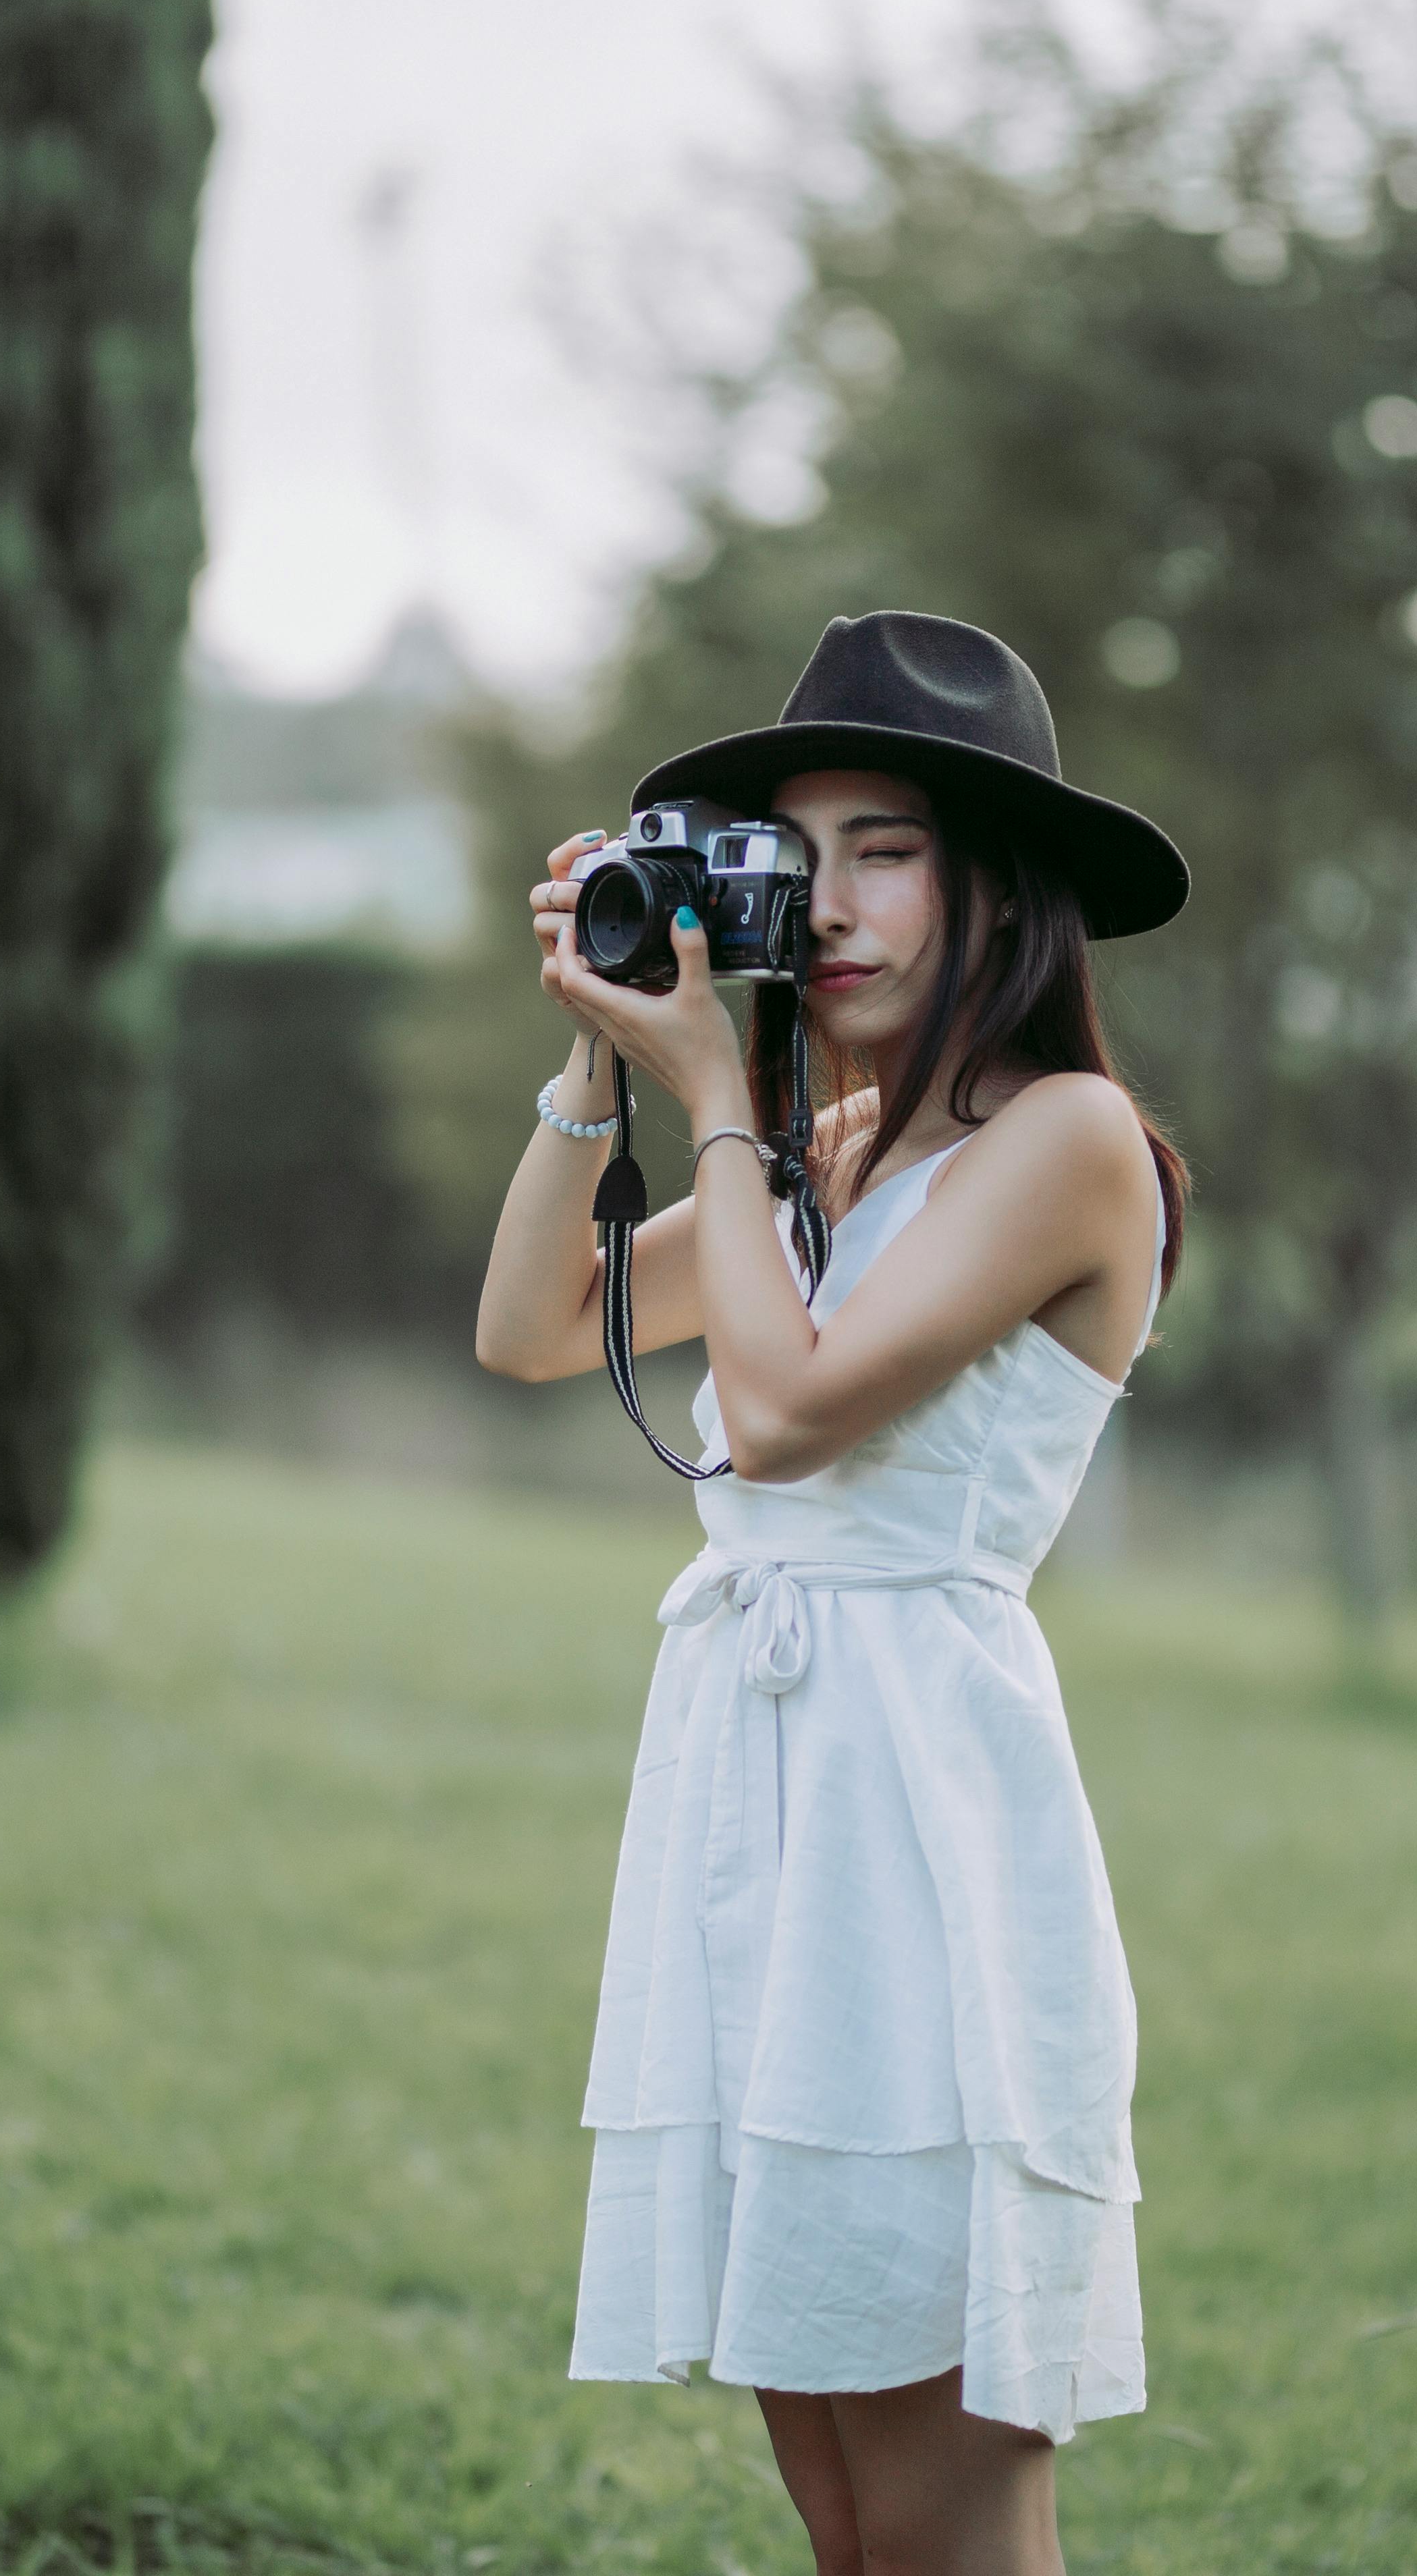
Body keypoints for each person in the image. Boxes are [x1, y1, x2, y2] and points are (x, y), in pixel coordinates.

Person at [475, 612, 1192, 2576]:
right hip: (763, 1818)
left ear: (996, 885)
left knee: (956, 2510)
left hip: (920, 1840)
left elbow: (777, 1418)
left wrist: (718, 1099)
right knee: (847, 2516)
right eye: (806, 857)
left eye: (891, 848)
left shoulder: (1070, 1145)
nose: (844, 902)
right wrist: (603, 1043)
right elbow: (535, 1323)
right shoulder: (830, 1168)